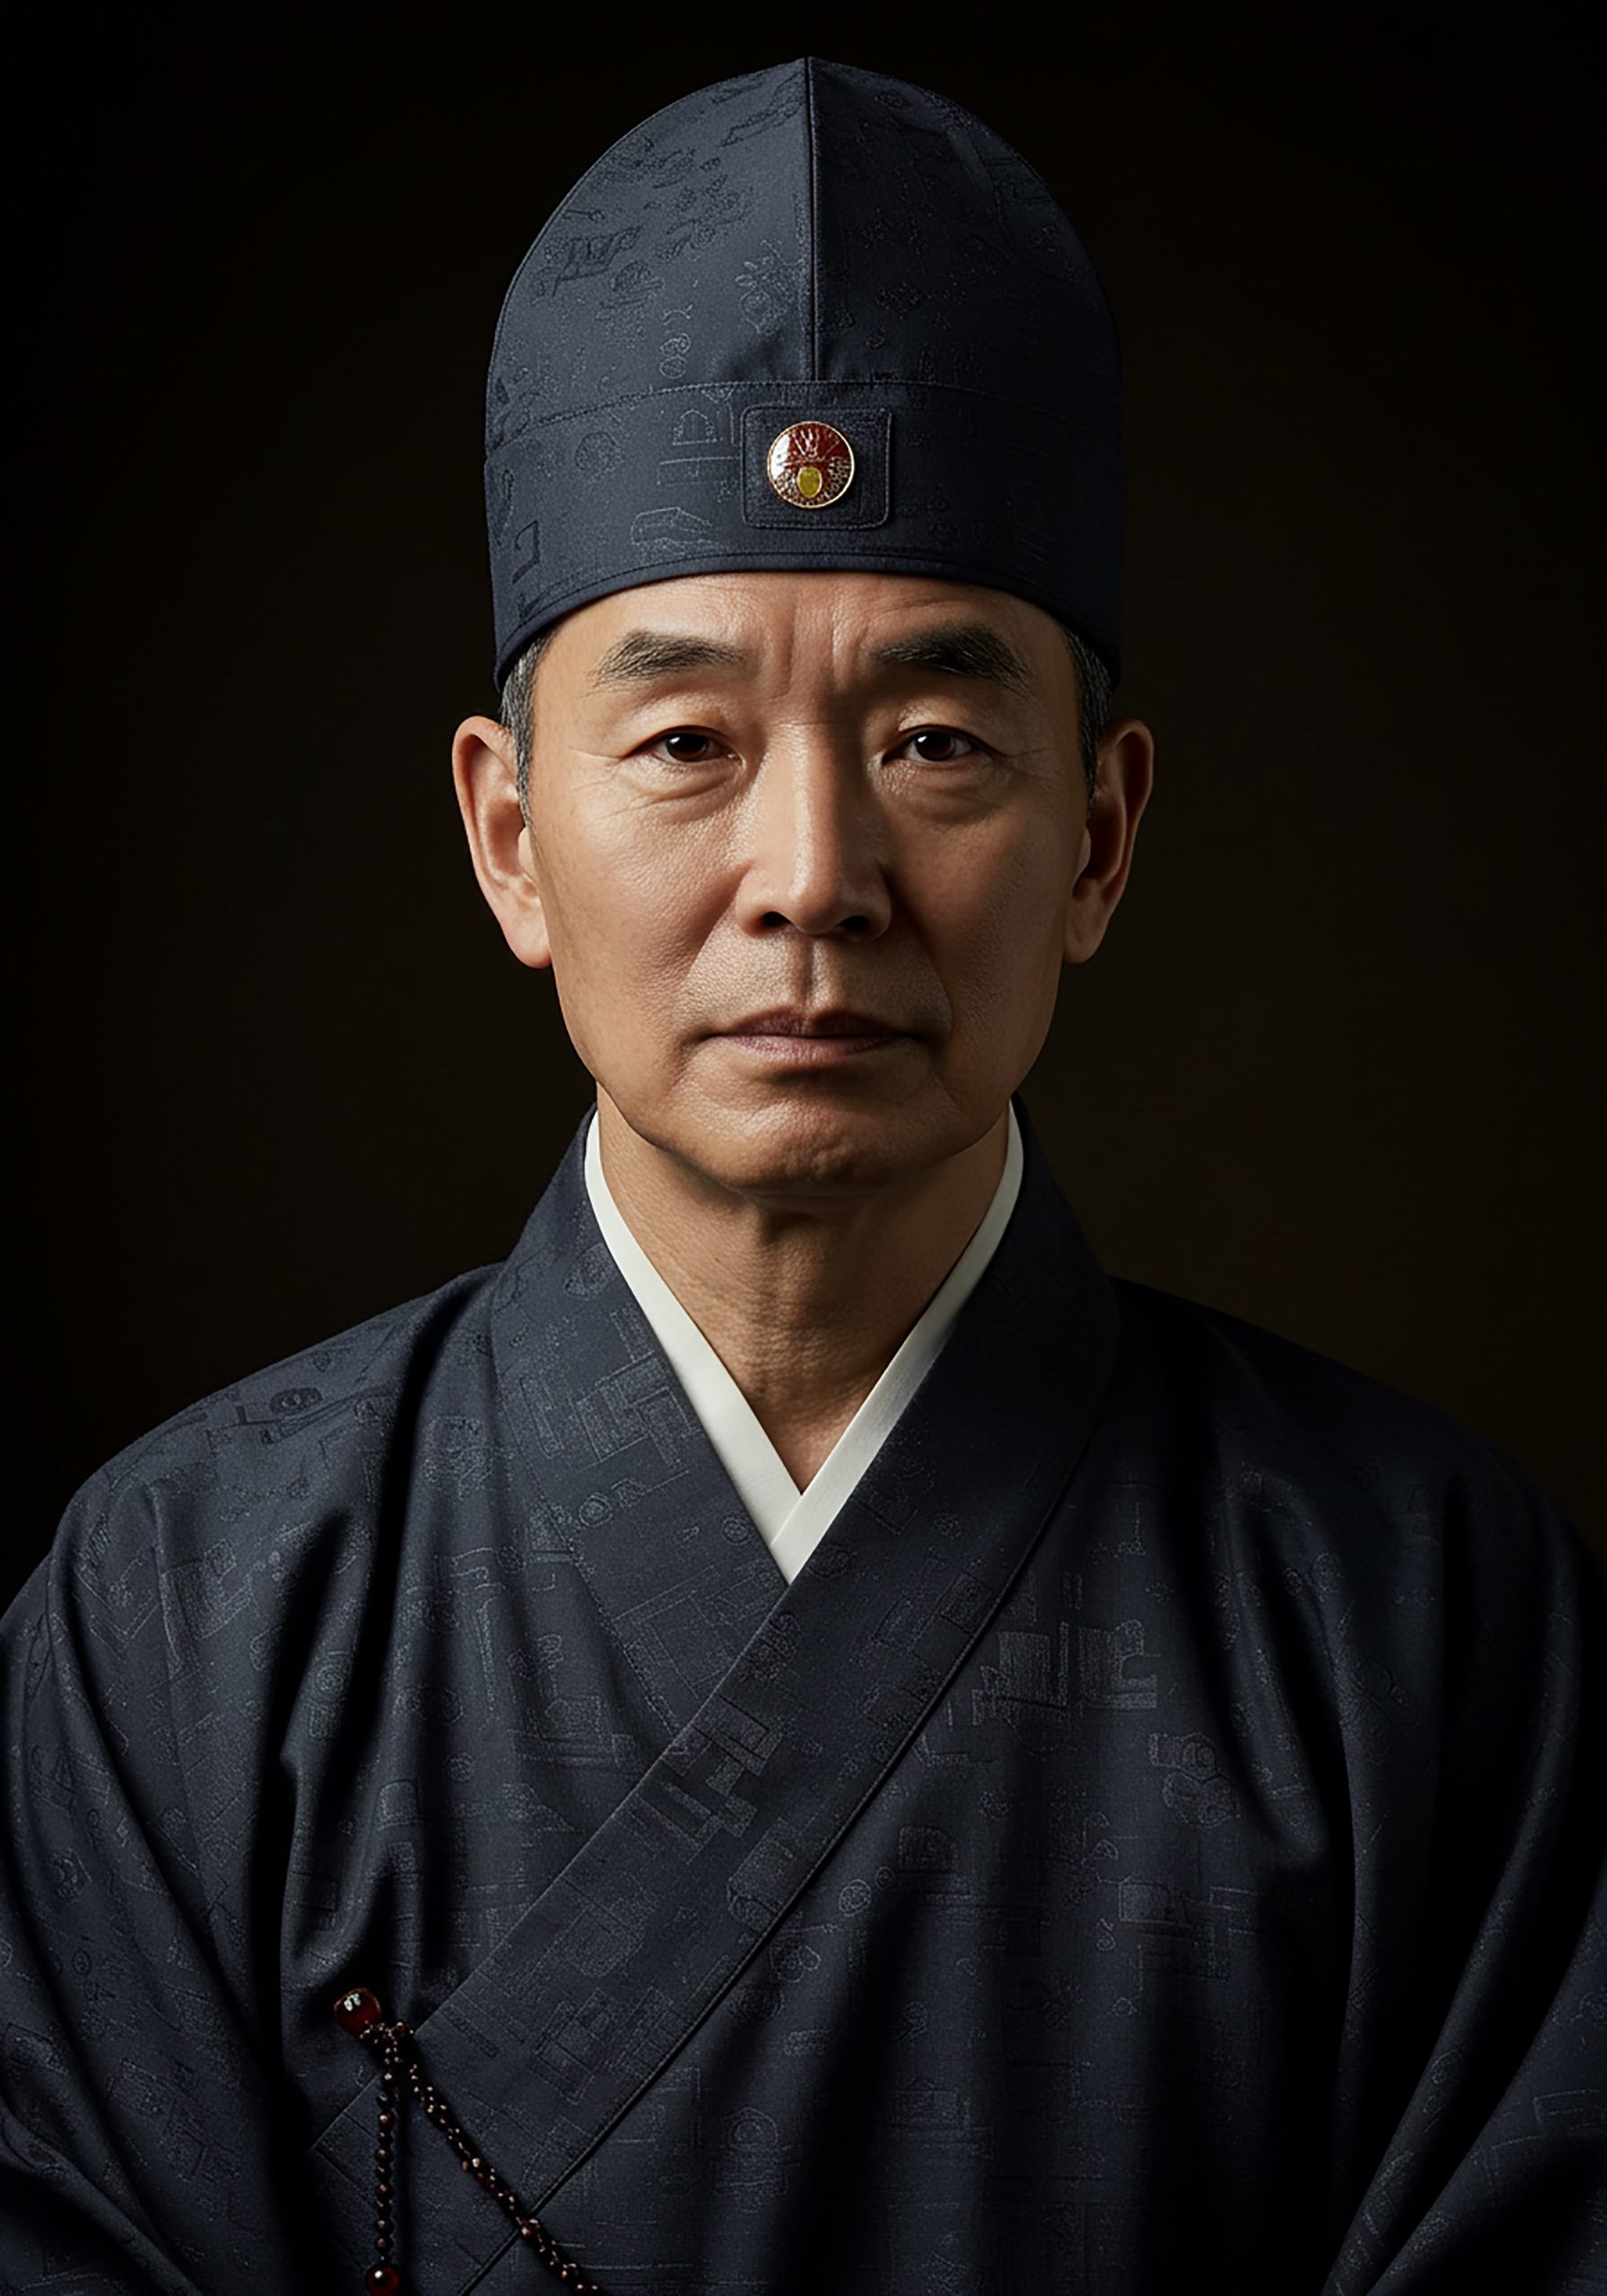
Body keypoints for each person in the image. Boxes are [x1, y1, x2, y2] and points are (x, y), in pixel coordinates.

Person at [2, 56, 1601, 2296]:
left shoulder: (1427, 1619)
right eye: (684, 745)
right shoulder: (184, 1608)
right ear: (506, 838)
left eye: (936, 741)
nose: (816, 876)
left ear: (1104, 836)